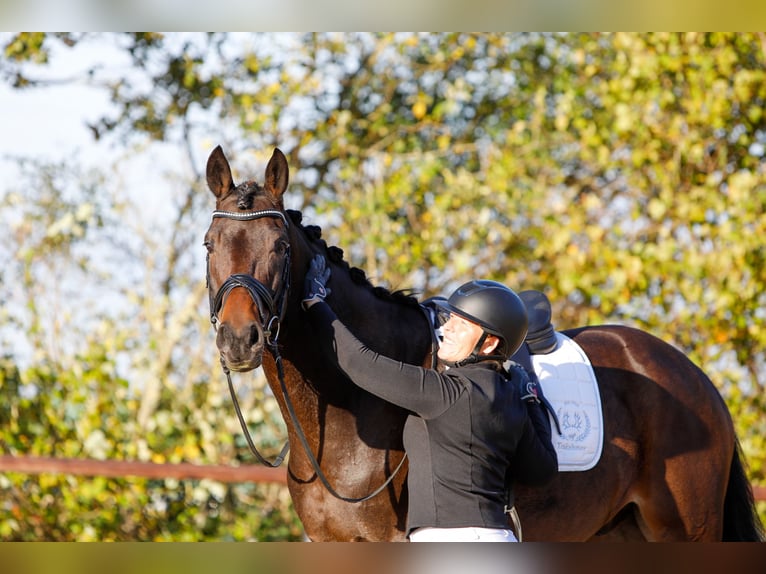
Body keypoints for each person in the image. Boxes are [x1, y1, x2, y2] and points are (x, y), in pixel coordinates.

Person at [302, 255, 558, 542]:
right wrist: (531, 398)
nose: (445, 329)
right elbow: (542, 470)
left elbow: (360, 364)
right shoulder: (512, 396)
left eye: (461, 325)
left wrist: (316, 304)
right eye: (450, 319)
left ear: (489, 343)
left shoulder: (449, 393)